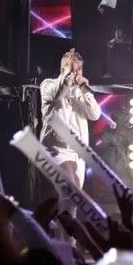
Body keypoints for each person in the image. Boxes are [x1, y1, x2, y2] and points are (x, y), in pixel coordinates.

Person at [40, 49, 102, 189]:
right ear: (63, 69)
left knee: (73, 198)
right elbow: (58, 93)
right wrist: (68, 75)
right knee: (71, 190)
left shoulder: (80, 91)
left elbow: (95, 115)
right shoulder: (48, 85)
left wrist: (86, 92)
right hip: (56, 151)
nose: (77, 73)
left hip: (78, 154)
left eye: (79, 69)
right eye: (73, 69)